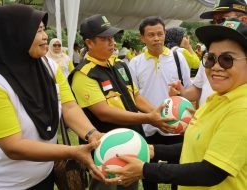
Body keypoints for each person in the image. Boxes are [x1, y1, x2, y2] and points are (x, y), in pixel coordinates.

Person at [106, 18, 247, 190]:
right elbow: (194, 144)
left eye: (227, 59)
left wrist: (145, 170)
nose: (216, 67)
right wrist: (154, 150)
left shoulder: (241, 109)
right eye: (210, 58)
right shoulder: (216, 100)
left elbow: (211, 172)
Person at [0, 4, 104, 190]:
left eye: (44, 29)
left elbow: (69, 107)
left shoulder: (49, 67)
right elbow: (13, 146)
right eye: (37, 30)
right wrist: (73, 152)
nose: (45, 36)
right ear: (13, 35)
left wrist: (92, 134)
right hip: (8, 184)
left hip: (45, 176)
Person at [69, 14, 175, 190]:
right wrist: (149, 118)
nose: (112, 42)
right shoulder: (84, 74)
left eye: (112, 37)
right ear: (89, 43)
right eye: (104, 39)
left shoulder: (119, 65)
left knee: (130, 184)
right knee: (106, 185)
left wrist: (158, 113)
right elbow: (103, 112)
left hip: (131, 143)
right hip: (105, 150)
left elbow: (136, 97)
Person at [128, 16, 192, 190]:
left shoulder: (178, 59)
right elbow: (134, 96)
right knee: (148, 171)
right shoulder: (135, 63)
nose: (156, 38)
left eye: (160, 33)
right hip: (148, 125)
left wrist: (179, 94)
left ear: (165, 34)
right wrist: (152, 116)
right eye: (151, 35)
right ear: (142, 38)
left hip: (176, 125)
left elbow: (189, 90)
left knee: (178, 169)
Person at [169, 0, 247, 107]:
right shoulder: (209, 53)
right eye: (213, 21)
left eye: (227, 59)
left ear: (244, 20)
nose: (216, 67)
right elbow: (199, 88)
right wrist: (182, 92)